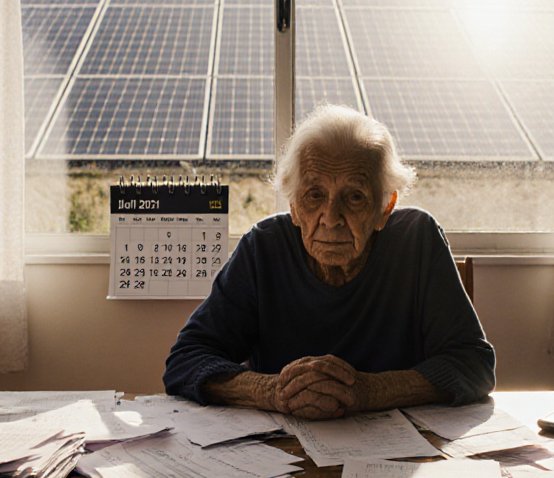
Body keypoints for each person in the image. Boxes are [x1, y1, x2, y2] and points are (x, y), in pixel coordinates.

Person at [162, 105, 496, 420]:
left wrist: (369, 391)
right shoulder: (263, 248)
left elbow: (474, 365)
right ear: (293, 205)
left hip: (402, 451)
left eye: (355, 197)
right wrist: (273, 391)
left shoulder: (416, 240)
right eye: (315, 195)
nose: (331, 217)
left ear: (386, 207)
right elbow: (185, 361)